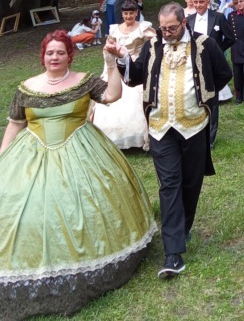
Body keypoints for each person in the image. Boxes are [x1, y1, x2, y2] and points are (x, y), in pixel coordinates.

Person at [0, 30, 157, 319]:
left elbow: (112, 95)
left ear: (69, 55)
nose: (55, 57)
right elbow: (15, 124)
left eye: (60, 52)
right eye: (50, 52)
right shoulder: (26, 88)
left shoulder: (84, 81)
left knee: (78, 206)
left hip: (81, 150)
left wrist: (110, 63)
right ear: (43, 56)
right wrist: (3, 157)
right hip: (32, 153)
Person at [106, 3, 232, 279]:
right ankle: (173, 253)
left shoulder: (204, 44)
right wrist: (122, 57)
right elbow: (134, 77)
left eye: (172, 28)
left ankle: (183, 226)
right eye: (163, 28)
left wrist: (203, 97)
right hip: (160, 127)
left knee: (191, 182)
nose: (167, 33)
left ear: (183, 23)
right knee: (169, 184)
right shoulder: (152, 47)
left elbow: (224, 73)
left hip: (194, 126)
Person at [92, 0, 156, 149]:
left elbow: (156, 42)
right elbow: (108, 48)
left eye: (131, 13)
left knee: (136, 100)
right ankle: (112, 137)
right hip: (117, 66)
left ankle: (140, 136)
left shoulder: (143, 28)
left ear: (136, 13)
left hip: (135, 67)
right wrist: (108, 68)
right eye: (126, 13)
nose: (128, 16)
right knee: (113, 101)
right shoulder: (115, 29)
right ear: (122, 14)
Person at [186, 0, 235, 147]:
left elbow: (230, 38)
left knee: (212, 99)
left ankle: (210, 138)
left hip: (211, 65)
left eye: (201, 2)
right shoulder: (189, 20)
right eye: (196, 2)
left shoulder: (218, 17)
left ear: (208, 2)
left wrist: (217, 51)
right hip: (193, 64)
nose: (198, 5)